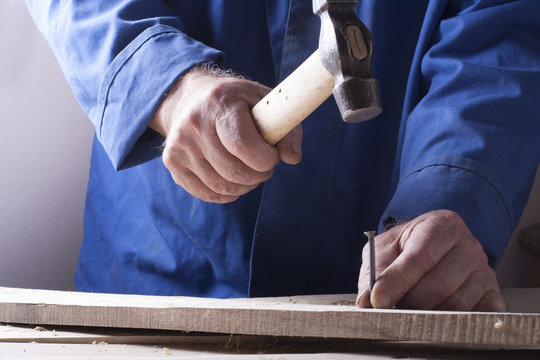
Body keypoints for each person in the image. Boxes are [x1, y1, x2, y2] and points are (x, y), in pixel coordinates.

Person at [25, 0, 540, 311]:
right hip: (158, 277)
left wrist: (451, 191)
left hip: (383, 303)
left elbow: (500, 30)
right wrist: (164, 80)